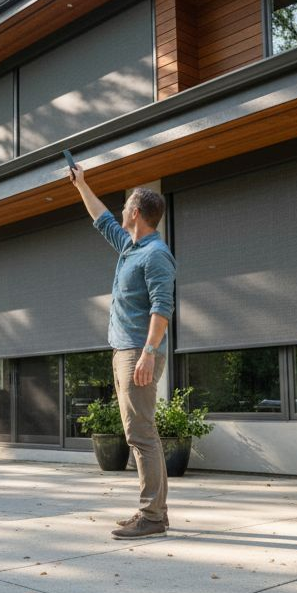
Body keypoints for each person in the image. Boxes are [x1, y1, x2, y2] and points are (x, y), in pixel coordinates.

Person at [66, 163, 176, 539]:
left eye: (126, 205)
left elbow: (162, 307)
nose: (121, 210)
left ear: (137, 213)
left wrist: (148, 352)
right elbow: (101, 218)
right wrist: (82, 184)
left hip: (137, 352)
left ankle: (152, 516)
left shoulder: (155, 254)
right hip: (124, 350)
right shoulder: (130, 247)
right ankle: (154, 512)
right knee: (140, 433)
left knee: (141, 434)